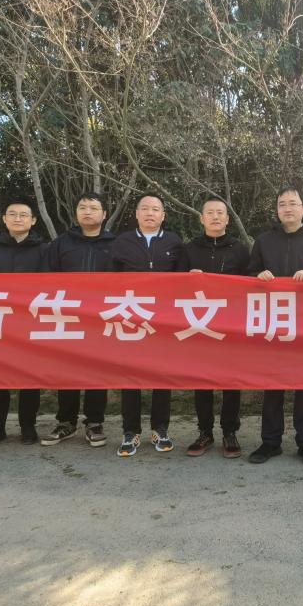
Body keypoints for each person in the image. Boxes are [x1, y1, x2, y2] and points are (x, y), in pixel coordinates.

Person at [246, 186, 303, 467]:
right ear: (277, 209)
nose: (287, 208)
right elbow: (248, 275)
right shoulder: (264, 241)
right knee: (272, 384)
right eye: (282, 204)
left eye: (293, 203)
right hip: (273, 322)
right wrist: (258, 275)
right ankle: (270, 441)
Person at [110, 194, 189, 457]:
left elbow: (183, 281)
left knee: (161, 375)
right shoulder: (122, 242)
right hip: (130, 318)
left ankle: (160, 429)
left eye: (155, 209)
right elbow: (108, 280)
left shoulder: (174, 242)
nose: (150, 213)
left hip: (163, 321)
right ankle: (130, 431)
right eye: (145, 208)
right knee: (130, 376)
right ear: (136, 213)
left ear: (163, 215)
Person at [41, 191, 116, 449]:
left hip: (101, 318)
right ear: (76, 213)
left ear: (104, 214)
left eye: (93, 208)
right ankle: (66, 422)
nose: (87, 212)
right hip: (68, 316)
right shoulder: (60, 244)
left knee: (97, 371)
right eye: (83, 207)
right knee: (67, 371)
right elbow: (46, 279)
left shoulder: (116, 244)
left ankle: (94, 422)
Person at [0, 197, 46, 449]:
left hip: (30, 322)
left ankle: (28, 426)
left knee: (29, 378)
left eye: (24, 215)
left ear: (33, 220)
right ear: (4, 219)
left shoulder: (44, 250)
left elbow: (50, 286)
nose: (18, 219)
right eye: (12, 214)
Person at [184, 196, 251, 459]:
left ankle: (229, 431)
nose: (215, 217)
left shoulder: (240, 250)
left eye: (220, 213)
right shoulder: (189, 250)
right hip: (199, 326)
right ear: (201, 218)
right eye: (210, 213)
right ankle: (205, 431)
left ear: (227, 219)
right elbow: (172, 285)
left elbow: (251, 284)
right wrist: (186, 279)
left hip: (232, 326)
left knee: (231, 381)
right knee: (202, 381)